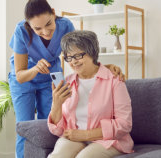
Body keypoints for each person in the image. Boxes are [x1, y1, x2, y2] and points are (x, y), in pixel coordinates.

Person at [8, 0, 124, 157]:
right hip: (25, 78)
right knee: (25, 127)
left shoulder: (65, 25)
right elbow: (20, 75)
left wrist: (103, 67)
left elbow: (79, 53)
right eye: (38, 29)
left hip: (51, 76)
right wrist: (35, 68)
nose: (45, 31)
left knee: (49, 126)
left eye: (48, 24)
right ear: (29, 25)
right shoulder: (21, 30)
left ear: (54, 13)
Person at [47, 30, 134, 158]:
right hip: (74, 138)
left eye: (78, 56)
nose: (73, 62)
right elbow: (57, 130)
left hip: (108, 140)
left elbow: (124, 124)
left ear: (92, 53)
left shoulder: (114, 80)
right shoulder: (67, 83)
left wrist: (85, 135)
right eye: (69, 57)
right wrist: (56, 103)